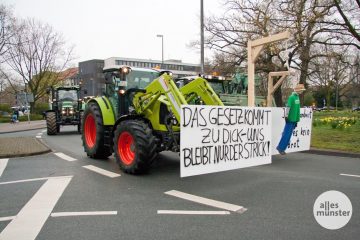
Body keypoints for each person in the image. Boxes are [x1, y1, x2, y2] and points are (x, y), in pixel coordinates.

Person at [276, 83, 306, 155]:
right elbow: (288, 107)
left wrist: (296, 120)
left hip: (294, 119)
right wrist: (286, 116)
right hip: (290, 119)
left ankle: (282, 148)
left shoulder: (297, 97)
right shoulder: (292, 97)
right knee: (286, 134)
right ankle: (280, 148)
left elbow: (297, 109)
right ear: (298, 90)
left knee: (288, 135)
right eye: (301, 90)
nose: (302, 91)